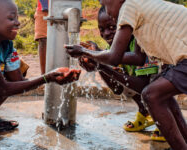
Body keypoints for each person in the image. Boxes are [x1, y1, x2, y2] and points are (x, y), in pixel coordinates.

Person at [66, 0, 187, 149]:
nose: (109, 12)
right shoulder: (140, 10)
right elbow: (138, 57)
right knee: (162, 96)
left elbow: (114, 57)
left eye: (107, 7)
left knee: (151, 95)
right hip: (181, 59)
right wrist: (98, 60)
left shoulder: (130, 6)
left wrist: (86, 52)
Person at [0, 0, 80, 149]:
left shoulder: (5, 43)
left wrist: (51, 77)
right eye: (11, 18)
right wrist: (47, 78)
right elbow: (4, 89)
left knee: (15, 68)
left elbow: (16, 82)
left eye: (17, 18)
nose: (17, 23)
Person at [79, 6, 164, 141]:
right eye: (102, 29)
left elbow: (143, 86)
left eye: (112, 28)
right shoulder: (112, 48)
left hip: (171, 80)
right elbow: (117, 89)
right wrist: (99, 63)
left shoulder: (141, 43)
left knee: (148, 87)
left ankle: (165, 119)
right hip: (147, 84)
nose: (106, 33)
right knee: (122, 80)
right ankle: (145, 112)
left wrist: (101, 63)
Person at [34, 0, 48, 74]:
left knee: (64, 40)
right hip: (44, 8)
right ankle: (44, 76)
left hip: (64, 6)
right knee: (43, 39)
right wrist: (45, 5)